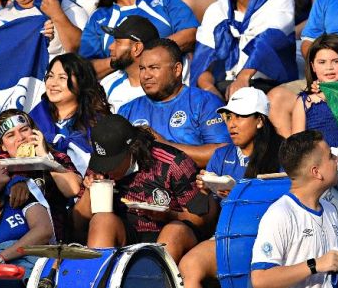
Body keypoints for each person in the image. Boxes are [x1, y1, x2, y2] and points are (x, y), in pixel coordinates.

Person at [178, 87, 283, 288]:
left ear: (260, 121)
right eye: (228, 117)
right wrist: (206, 191)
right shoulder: (220, 155)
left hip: (270, 236)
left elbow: (287, 201)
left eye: (240, 117)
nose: (231, 124)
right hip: (228, 235)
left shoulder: (283, 153)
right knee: (190, 266)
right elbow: (209, 213)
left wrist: (238, 194)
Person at [74, 114, 212, 262]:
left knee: (173, 232)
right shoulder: (98, 169)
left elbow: (200, 219)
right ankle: (97, 279)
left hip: (170, 230)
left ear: (132, 149)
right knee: (102, 220)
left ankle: (156, 279)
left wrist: (168, 214)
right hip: (125, 232)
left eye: (113, 163)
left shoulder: (172, 163)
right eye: (104, 163)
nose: (107, 170)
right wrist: (90, 191)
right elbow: (77, 224)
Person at [191, 0, 297, 100]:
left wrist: (243, 78)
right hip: (226, 84)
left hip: (270, 83)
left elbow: (270, 39)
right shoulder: (216, 9)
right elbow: (203, 61)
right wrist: (209, 89)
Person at [250, 130, 338, 288]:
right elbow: (260, 279)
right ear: (316, 172)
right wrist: (315, 265)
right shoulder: (279, 214)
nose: (337, 159)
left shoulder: (331, 210)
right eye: (330, 156)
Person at [119, 38, 231, 168]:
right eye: (142, 68)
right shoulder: (127, 110)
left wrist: (164, 146)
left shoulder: (204, 103)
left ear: (177, 69)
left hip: (192, 186)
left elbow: (225, 154)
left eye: (154, 68)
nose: (146, 75)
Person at [0, 109, 82, 241]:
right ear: (3, 146)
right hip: (14, 243)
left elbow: (73, 189)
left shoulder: (56, 157)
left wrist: (45, 157)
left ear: (34, 131)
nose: (20, 138)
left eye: (24, 130)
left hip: (58, 240)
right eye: (10, 135)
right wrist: (16, 181)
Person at [27, 54, 111, 177]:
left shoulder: (98, 122)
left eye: (62, 77)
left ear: (81, 82)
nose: (53, 83)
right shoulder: (33, 119)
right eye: (50, 76)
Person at [291, 34, 338, 165]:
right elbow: (298, 143)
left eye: (336, 61)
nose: (329, 67)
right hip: (315, 165)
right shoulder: (304, 102)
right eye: (322, 62)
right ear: (313, 66)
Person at [100, 15, 160, 112]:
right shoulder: (108, 84)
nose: (110, 47)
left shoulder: (163, 87)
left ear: (137, 48)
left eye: (118, 42)